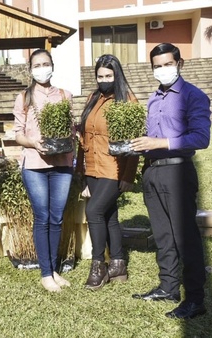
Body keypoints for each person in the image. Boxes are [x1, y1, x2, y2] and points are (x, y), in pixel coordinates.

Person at [131, 43, 211, 319]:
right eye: (157, 66)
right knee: (163, 235)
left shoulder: (193, 96)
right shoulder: (153, 99)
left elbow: (202, 138)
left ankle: (195, 299)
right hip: (152, 171)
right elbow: (149, 134)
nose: (162, 70)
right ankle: (168, 287)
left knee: (184, 236)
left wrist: (161, 142)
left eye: (167, 64)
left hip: (177, 171)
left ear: (179, 63)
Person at [12, 49, 75, 292]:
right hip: (35, 165)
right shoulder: (24, 98)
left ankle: (53, 269)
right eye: (36, 65)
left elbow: (70, 128)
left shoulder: (65, 95)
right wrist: (34, 143)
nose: (42, 68)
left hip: (62, 164)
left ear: (53, 65)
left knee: (56, 218)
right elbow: (18, 134)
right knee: (43, 217)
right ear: (30, 70)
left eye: (45, 63)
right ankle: (46, 273)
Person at [76, 54, 140, 291]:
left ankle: (98, 265)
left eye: (108, 76)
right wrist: (81, 170)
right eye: (100, 76)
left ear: (117, 75)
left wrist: (128, 176)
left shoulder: (127, 101)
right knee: (109, 215)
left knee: (93, 210)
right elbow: (84, 136)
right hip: (92, 166)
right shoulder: (93, 98)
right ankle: (118, 264)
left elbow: (133, 143)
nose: (104, 80)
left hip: (113, 168)